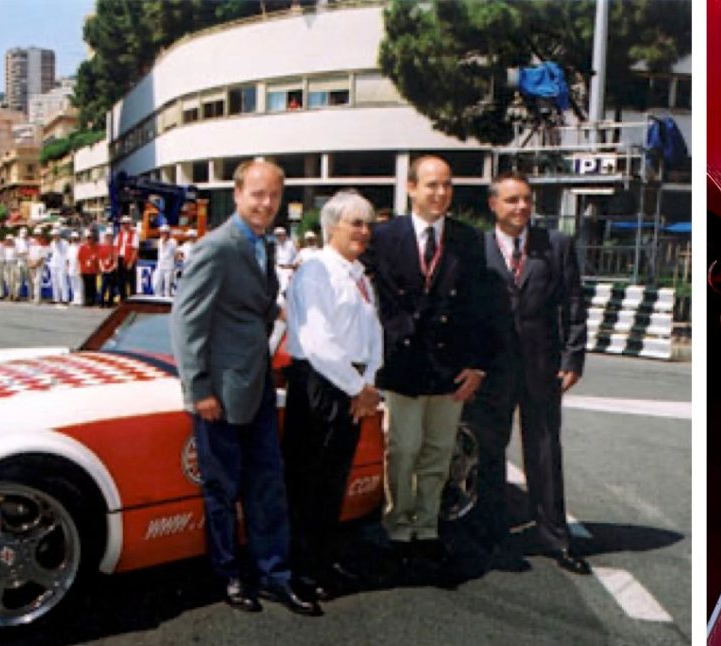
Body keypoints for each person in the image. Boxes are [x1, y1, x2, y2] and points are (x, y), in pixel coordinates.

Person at [171, 158, 319, 617]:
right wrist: (199, 390)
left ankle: (275, 574)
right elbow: (186, 321)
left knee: (267, 486)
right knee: (221, 490)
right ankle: (230, 574)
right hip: (217, 394)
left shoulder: (264, 245)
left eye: (273, 195)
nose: (266, 203)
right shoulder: (217, 247)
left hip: (253, 389)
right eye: (257, 194)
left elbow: (252, 312)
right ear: (236, 195)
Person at [369, 155, 498, 572]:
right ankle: (397, 527)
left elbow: (481, 308)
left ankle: (426, 529)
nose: (440, 193)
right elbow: (372, 303)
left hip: (450, 369)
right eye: (431, 185)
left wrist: (477, 365)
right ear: (411, 188)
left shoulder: (468, 239)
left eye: (446, 185)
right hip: (403, 366)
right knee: (402, 450)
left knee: (438, 453)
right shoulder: (383, 236)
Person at [467, 171, 591, 573]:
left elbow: (573, 304)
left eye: (526, 199)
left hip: (542, 368)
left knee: (544, 452)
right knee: (489, 454)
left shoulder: (555, 245)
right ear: (493, 205)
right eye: (511, 200)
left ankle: (555, 537)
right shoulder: (475, 248)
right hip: (491, 370)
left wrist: (573, 359)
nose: (521, 207)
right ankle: (490, 537)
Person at [280, 190, 384, 601]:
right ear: (331, 227)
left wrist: (369, 384)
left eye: (368, 224)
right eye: (355, 223)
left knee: (333, 482)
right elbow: (318, 342)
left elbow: (374, 335)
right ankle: (300, 571)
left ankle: (323, 560)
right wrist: (359, 388)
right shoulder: (314, 271)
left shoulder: (359, 276)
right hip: (322, 386)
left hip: (354, 386)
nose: (364, 231)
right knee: (308, 484)